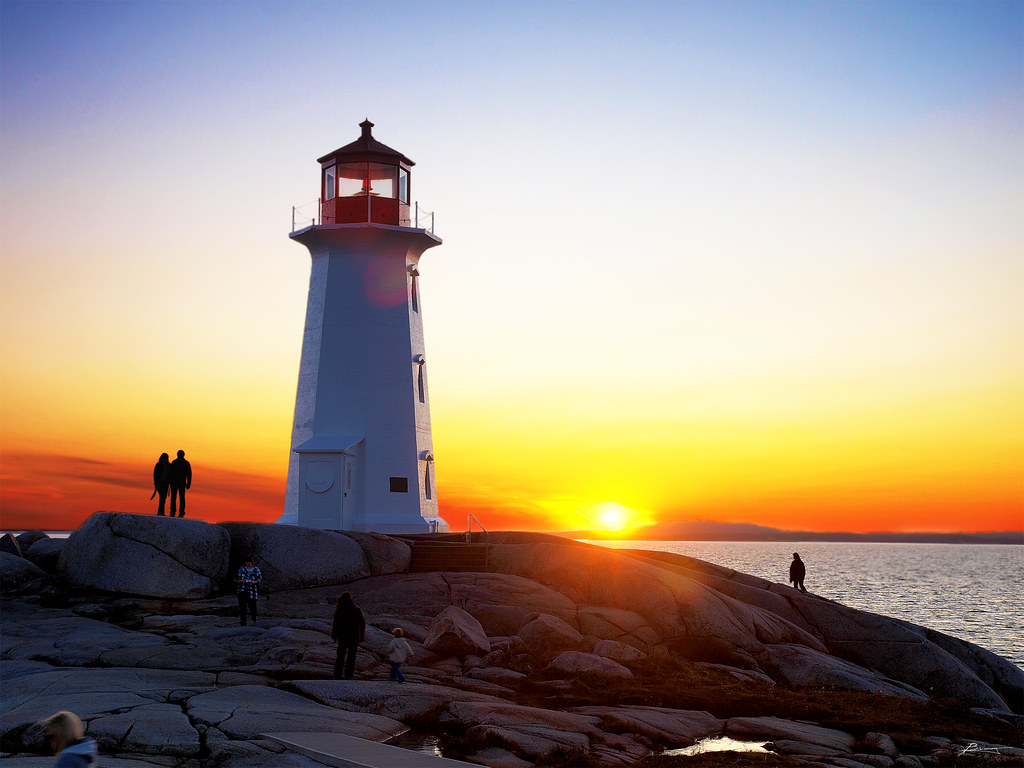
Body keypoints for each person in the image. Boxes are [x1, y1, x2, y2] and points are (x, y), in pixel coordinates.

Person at [331, 591, 365, 679]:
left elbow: (336, 623)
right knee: (351, 657)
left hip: (342, 636)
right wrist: (361, 636)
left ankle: (337, 675)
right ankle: (349, 675)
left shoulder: (340, 609)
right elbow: (362, 623)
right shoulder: (356, 609)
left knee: (340, 657)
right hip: (354, 637)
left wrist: (334, 635)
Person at [235, 555, 262, 626]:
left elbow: (259, 580)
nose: (248, 563)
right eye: (247, 562)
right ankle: (243, 622)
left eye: (249, 562)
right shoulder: (241, 569)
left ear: (252, 562)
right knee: (242, 607)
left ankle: (254, 620)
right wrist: (244, 581)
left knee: (253, 607)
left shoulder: (256, 570)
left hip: (252, 591)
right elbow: (237, 580)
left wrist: (253, 582)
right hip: (242, 590)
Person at [168, 450, 192, 517]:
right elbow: (189, 474)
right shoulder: (185, 463)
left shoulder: (175, 462)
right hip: (178, 482)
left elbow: (189, 474)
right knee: (179, 498)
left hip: (177, 483)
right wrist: (189, 482)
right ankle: (178, 512)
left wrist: (189, 482)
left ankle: (175, 512)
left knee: (177, 498)